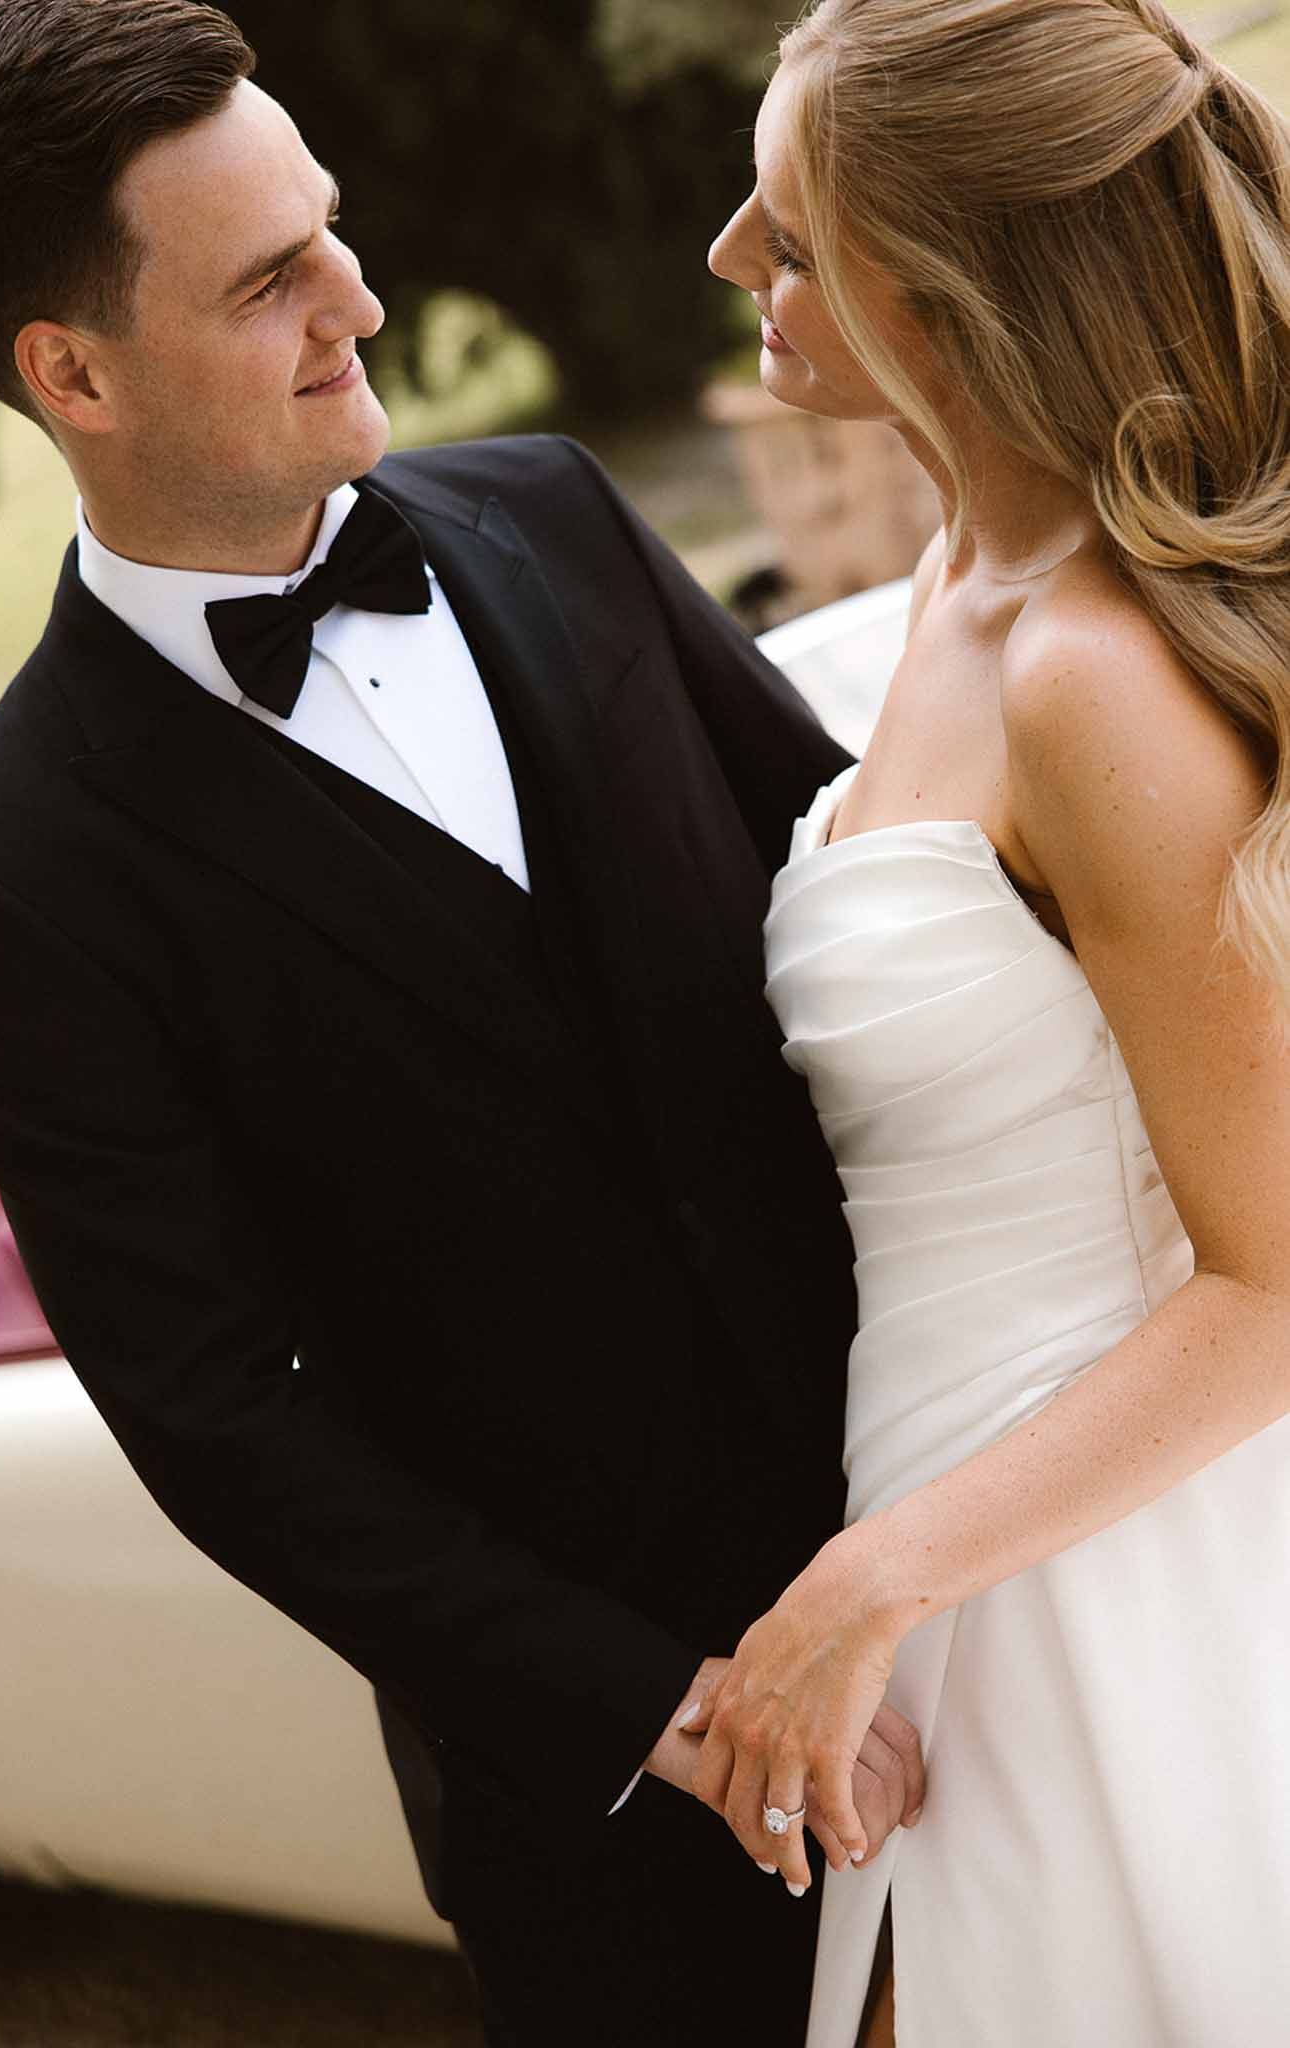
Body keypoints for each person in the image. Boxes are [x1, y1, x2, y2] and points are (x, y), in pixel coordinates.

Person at [0, 2, 929, 2041]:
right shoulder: (17, 857)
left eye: (332, 230)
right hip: (622, 1810)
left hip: (969, 1549)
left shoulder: (554, 514)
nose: (360, 299)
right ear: (72, 370)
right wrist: (670, 1707)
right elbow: (219, 1416)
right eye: (269, 277)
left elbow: (872, 892)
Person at [701, 1, 1290, 2042]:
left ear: (936, 274)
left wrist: (872, 1582)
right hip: (947, 1525)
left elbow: (1277, 1281)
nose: (721, 258)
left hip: (1088, 1578)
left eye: (784, 225)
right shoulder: (960, 572)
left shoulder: (1091, 677)